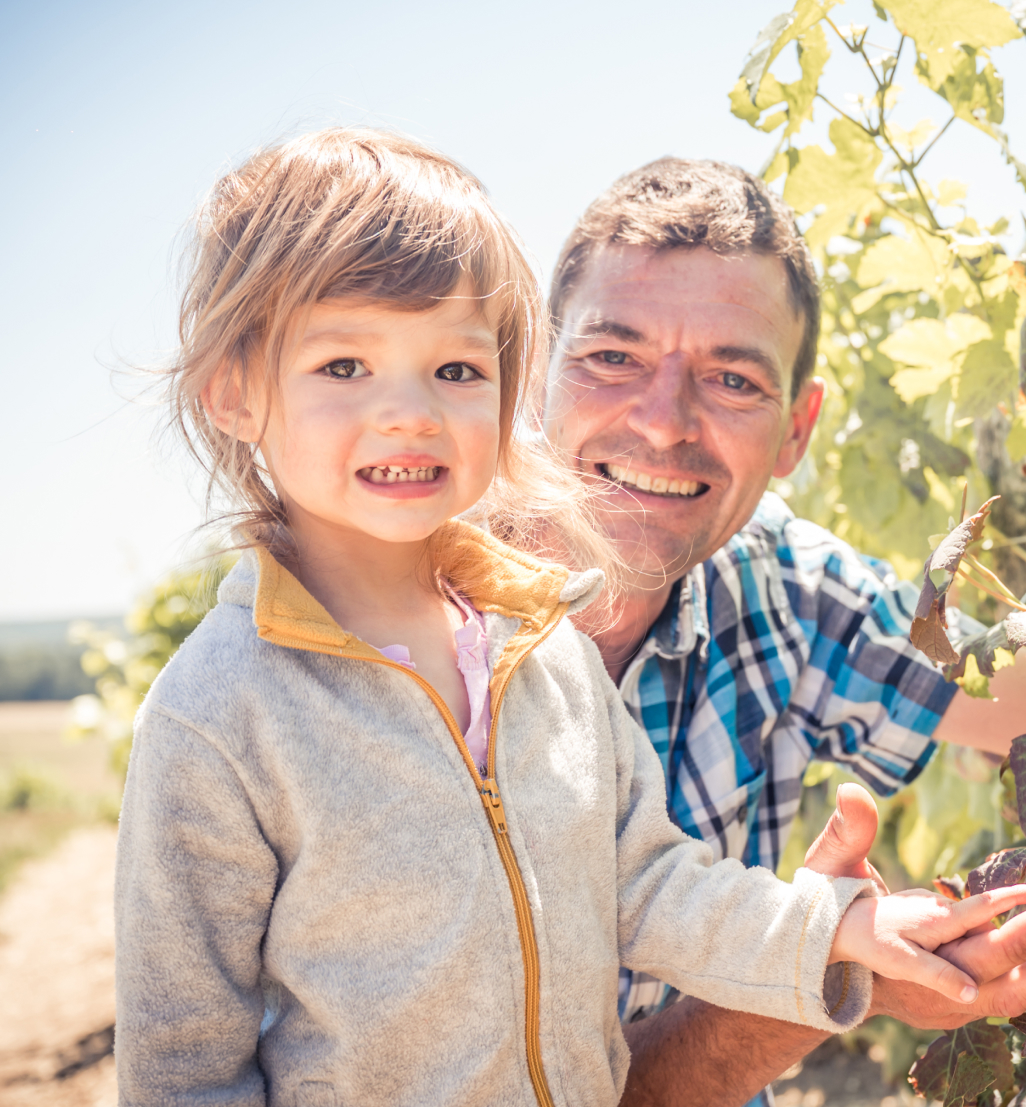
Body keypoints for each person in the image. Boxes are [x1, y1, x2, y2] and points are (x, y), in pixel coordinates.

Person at [113, 129, 1022, 1107]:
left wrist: (837, 930)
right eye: (344, 366)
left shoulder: (550, 642)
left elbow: (646, 879)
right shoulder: (224, 716)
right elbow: (184, 1073)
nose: (662, 422)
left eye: (732, 379)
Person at [541, 157, 1026, 1107]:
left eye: (731, 378)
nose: (663, 421)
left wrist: (837, 954)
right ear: (535, 369)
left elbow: (1006, 691)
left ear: (797, 431)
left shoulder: (775, 584)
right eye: (613, 357)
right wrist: (825, 965)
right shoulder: (403, 631)